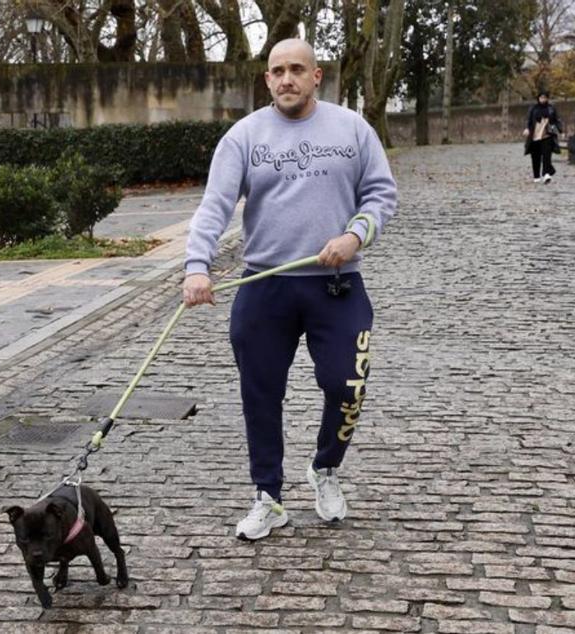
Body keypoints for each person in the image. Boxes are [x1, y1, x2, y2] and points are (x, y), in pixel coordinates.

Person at [181, 38, 398, 541]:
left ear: (316, 76)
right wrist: (197, 266)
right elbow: (214, 206)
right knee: (261, 395)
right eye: (277, 71)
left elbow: (382, 193)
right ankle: (268, 496)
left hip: (337, 286)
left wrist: (354, 235)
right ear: (267, 79)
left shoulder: (352, 128)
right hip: (265, 288)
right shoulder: (244, 136)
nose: (286, 79)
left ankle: (324, 467)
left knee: (347, 385)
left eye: (297, 69)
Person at [524, 91, 562, 184]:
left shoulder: (551, 108)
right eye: (541, 97)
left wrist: (560, 130)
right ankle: (536, 176)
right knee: (535, 157)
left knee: (546, 156)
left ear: (547, 98)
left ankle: (546, 175)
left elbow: (556, 120)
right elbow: (529, 120)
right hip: (535, 136)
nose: (543, 99)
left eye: (545, 98)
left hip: (547, 135)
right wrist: (527, 129)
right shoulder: (533, 108)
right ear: (538, 98)